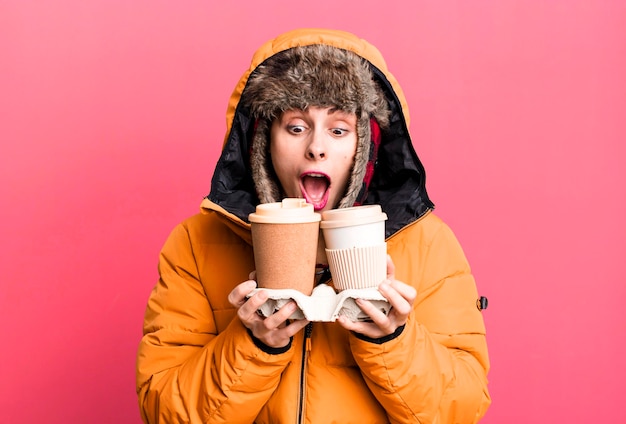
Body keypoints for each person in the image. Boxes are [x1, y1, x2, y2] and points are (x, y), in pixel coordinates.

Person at [136, 28, 490, 423]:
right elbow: (165, 411)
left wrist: (392, 340)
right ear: (262, 142)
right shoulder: (196, 244)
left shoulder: (429, 244)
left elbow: (461, 409)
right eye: (296, 127)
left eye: (338, 130)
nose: (316, 147)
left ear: (365, 147)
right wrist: (255, 344)